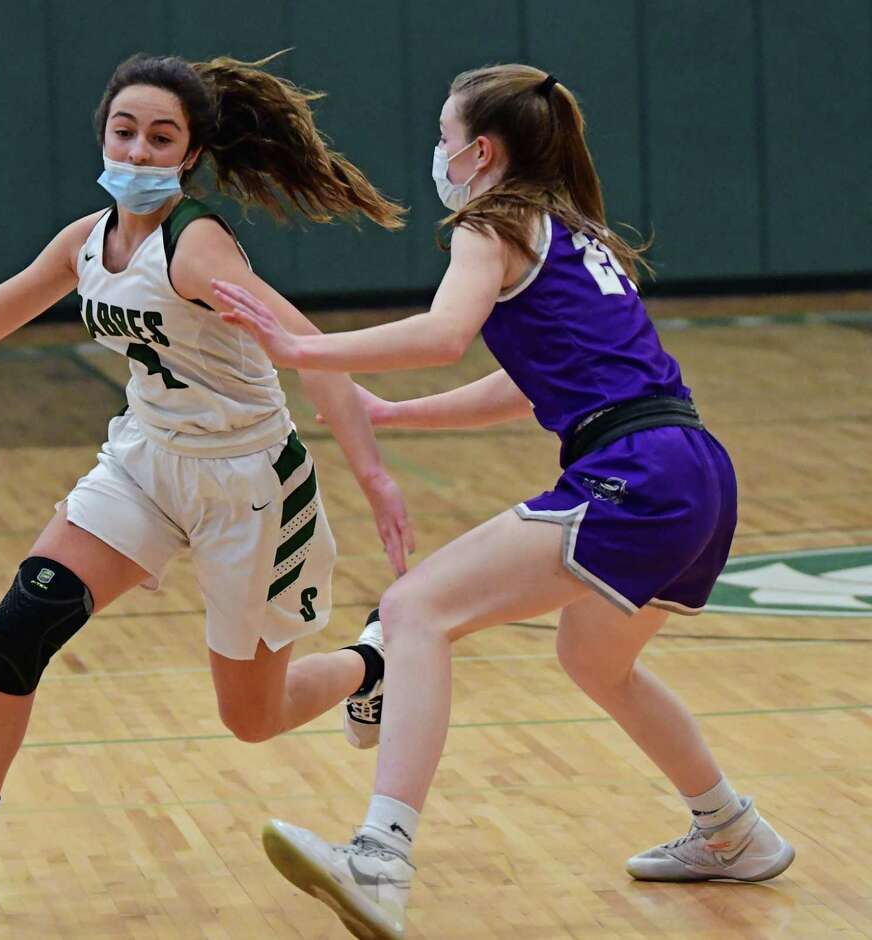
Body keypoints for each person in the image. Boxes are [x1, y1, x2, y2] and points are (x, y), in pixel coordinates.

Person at [0, 52, 415, 910]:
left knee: (252, 717)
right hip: (146, 462)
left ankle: (373, 663)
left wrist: (373, 474)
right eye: (127, 131)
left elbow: (304, 348)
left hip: (248, 484)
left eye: (163, 138)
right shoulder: (85, 241)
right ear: (104, 135)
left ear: (188, 157)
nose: (141, 150)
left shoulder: (197, 246)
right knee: (23, 619)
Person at [211, 64, 795, 940]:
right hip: (697, 470)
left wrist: (302, 349)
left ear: (480, 152)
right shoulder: (571, 228)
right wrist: (395, 411)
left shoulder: (491, 221)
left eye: (445, 139)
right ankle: (731, 830)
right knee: (596, 662)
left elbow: (445, 336)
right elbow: (530, 386)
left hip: (636, 471)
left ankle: (380, 858)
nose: (438, 156)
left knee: (414, 610)